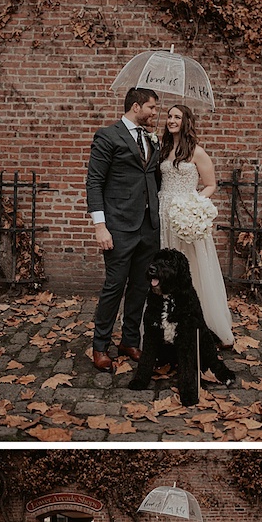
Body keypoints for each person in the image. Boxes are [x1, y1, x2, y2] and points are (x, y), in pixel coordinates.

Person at [86, 87, 161, 371]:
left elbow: (153, 179)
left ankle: (130, 340)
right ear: (136, 106)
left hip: (148, 227)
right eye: (152, 108)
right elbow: (94, 182)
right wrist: (100, 227)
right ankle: (100, 346)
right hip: (118, 226)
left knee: (141, 287)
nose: (155, 113)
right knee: (114, 287)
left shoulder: (151, 139)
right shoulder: (107, 136)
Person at [157, 104, 234, 346]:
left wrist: (193, 206)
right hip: (164, 213)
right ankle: (167, 327)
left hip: (185, 215)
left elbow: (210, 184)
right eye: (169, 116)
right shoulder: (163, 149)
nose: (171, 120)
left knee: (192, 268)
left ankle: (205, 326)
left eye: (177, 117)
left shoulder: (197, 152)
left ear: (186, 121)